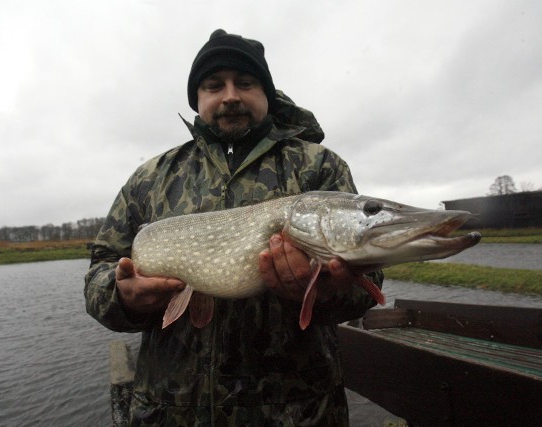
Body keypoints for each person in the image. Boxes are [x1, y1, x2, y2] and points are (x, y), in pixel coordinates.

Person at [85, 29, 383, 426]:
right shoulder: (151, 177)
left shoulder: (318, 167)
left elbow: (368, 279)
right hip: (171, 413)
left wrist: (326, 291)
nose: (230, 96)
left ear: (267, 94)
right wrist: (122, 297)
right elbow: (101, 270)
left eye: (245, 83)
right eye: (213, 86)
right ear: (198, 99)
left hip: (296, 414)